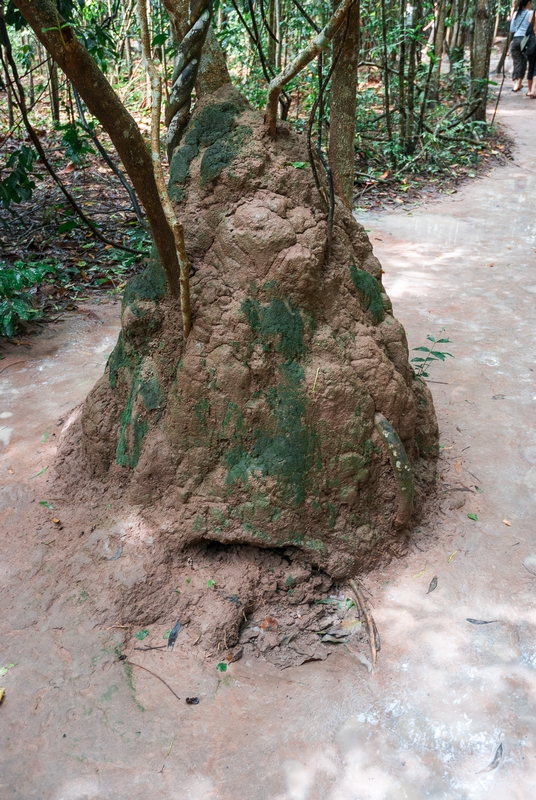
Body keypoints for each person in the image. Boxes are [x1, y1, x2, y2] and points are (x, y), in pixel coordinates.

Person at [510, 0, 534, 91]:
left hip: (515, 39)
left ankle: (516, 83)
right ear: (528, 3)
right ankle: (518, 84)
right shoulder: (531, 13)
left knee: (516, 61)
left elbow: (512, 29)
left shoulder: (516, 13)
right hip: (525, 39)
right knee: (523, 61)